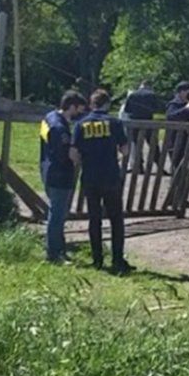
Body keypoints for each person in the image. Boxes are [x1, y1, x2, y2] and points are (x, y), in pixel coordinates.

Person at [70, 89, 134, 275]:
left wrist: (84, 162)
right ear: (106, 104)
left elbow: (74, 153)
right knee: (116, 219)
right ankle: (117, 259)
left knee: (94, 219)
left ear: (91, 104)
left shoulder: (81, 124)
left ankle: (97, 259)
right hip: (110, 176)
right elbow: (125, 149)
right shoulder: (114, 123)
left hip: (90, 177)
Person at [39, 90, 88, 264]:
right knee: (57, 215)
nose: (79, 114)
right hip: (60, 175)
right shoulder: (60, 129)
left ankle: (59, 250)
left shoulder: (49, 117)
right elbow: (70, 155)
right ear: (71, 107)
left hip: (47, 170)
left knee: (56, 212)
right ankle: (54, 254)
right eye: (78, 110)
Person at [121, 80, 161, 173]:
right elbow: (157, 109)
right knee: (153, 145)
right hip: (148, 122)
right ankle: (159, 164)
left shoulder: (132, 95)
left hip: (134, 123)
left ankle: (139, 166)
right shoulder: (152, 95)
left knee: (137, 145)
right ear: (149, 86)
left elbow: (127, 110)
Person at [165, 80, 189, 172]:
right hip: (174, 139)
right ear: (181, 92)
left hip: (186, 139)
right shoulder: (173, 104)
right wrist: (187, 107)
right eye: (187, 92)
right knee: (177, 165)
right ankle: (175, 184)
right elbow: (171, 116)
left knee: (184, 164)